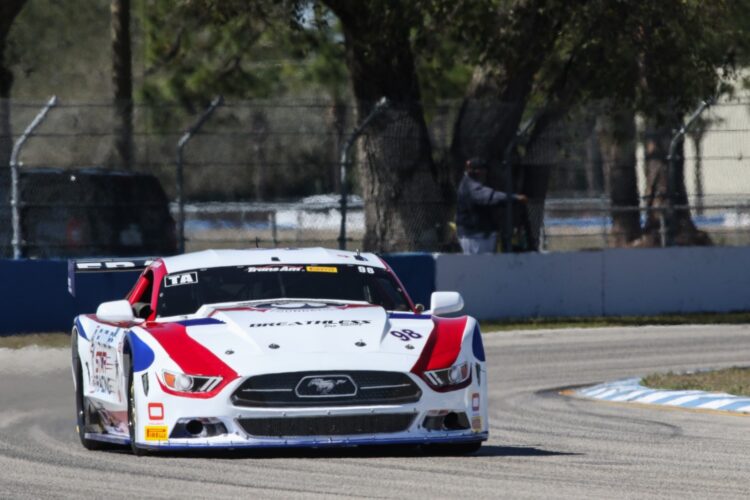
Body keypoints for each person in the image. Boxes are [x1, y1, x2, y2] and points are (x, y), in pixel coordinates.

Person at [455, 157, 527, 254]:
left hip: (479, 235)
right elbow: (491, 197)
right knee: (480, 267)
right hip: (476, 237)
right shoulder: (471, 186)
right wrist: (514, 198)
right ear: (476, 171)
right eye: (482, 170)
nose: (485, 173)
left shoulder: (470, 184)